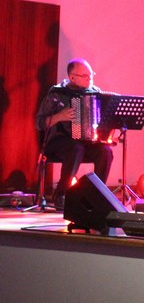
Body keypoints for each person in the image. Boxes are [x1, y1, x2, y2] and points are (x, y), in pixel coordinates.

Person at [36, 58, 114, 209]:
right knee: (75, 148)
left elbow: (103, 121)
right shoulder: (57, 93)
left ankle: (96, 195)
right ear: (72, 77)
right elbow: (39, 123)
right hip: (58, 142)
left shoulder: (96, 93)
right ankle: (61, 194)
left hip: (86, 143)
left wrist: (107, 131)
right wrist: (60, 116)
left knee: (105, 151)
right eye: (85, 76)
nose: (89, 79)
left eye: (91, 75)